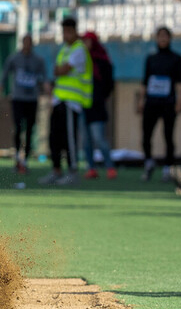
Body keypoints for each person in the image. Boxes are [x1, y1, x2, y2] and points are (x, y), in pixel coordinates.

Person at [38, 17, 93, 186]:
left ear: (76, 31)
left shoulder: (79, 50)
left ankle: (73, 172)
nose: (65, 34)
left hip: (72, 102)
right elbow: (57, 71)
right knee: (54, 137)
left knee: (69, 138)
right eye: (64, 31)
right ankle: (56, 170)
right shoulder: (65, 49)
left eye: (69, 31)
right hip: (59, 100)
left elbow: (62, 70)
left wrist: (60, 71)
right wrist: (59, 71)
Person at [0, 34, 47, 174]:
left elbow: (44, 77)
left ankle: (26, 160)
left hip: (31, 99)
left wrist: (45, 86)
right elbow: (5, 72)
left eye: (29, 42)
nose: (27, 45)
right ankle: (17, 159)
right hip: (18, 98)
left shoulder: (38, 60)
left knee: (30, 130)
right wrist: (1, 85)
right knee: (18, 128)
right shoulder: (14, 58)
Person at [139, 26, 181, 182]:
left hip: (168, 103)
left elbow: (178, 83)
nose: (162, 39)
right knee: (146, 135)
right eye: (160, 36)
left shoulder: (176, 59)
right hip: (151, 102)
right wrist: (141, 100)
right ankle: (149, 163)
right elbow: (145, 81)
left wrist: (178, 102)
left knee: (168, 136)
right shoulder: (151, 58)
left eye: (165, 36)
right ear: (156, 38)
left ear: (170, 39)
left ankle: (167, 168)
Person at [80, 31, 117, 180]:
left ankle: (110, 167)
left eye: (88, 41)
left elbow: (109, 84)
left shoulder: (102, 61)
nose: (86, 44)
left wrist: (101, 97)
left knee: (99, 138)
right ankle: (91, 168)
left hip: (97, 106)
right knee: (85, 140)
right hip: (83, 104)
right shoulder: (80, 60)